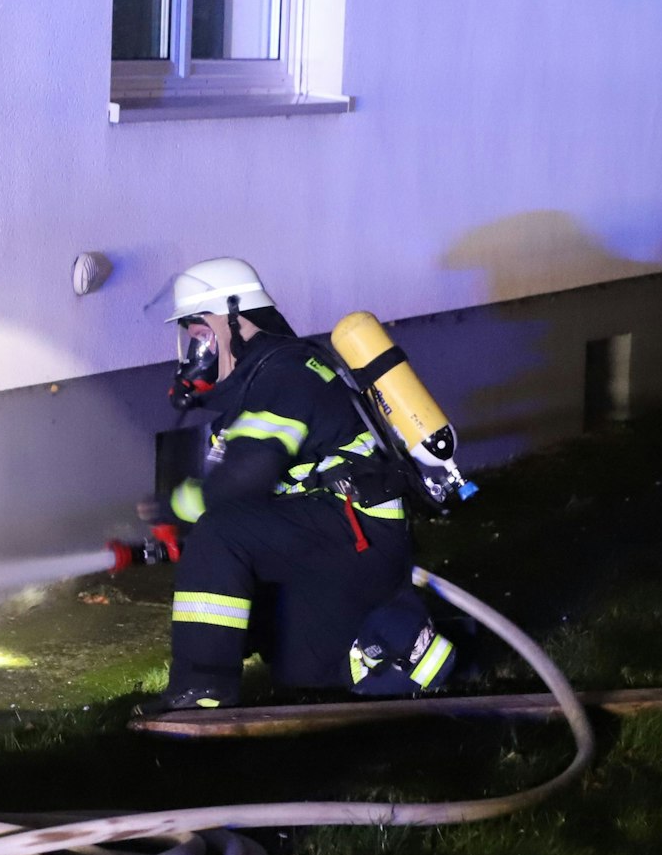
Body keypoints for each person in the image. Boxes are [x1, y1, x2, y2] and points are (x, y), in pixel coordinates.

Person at [138, 258, 454, 713]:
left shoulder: (285, 374)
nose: (195, 350)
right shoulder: (264, 378)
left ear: (236, 319)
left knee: (221, 535)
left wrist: (176, 506)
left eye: (200, 334)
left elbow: (247, 475)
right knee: (297, 669)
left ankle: (201, 690)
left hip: (358, 529)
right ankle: (402, 648)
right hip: (338, 532)